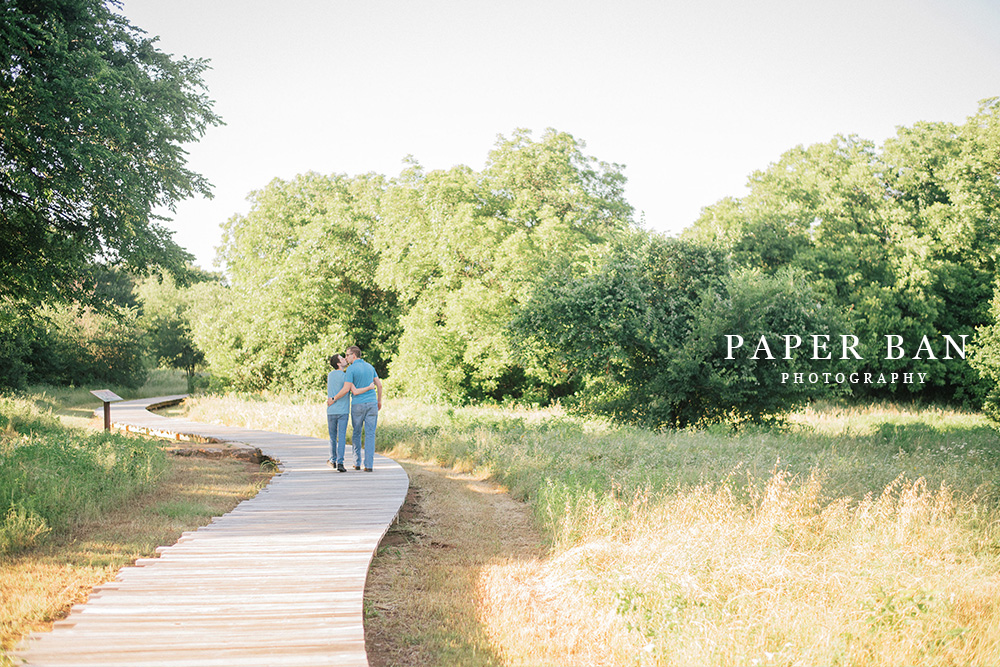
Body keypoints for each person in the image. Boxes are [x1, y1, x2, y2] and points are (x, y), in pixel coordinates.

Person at [326, 353, 374, 473]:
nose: (345, 359)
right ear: (338, 363)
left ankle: (333, 460)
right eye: (342, 359)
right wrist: (369, 387)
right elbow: (353, 390)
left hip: (331, 410)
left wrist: (332, 399)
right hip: (343, 410)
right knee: (341, 436)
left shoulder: (330, 375)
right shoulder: (346, 376)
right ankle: (340, 462)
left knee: (332, 437)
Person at [342, 345, 383, 472]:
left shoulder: (351, 369)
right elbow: (379, 385)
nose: (346, 357)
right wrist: (379, 401)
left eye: (347, 355)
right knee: (370, 434)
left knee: (357, 433)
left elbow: (348, 388)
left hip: (358, 405)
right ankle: (369, 465)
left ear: (354, 355)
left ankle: (357, 462)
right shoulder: (370, 367)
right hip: (372, 404)